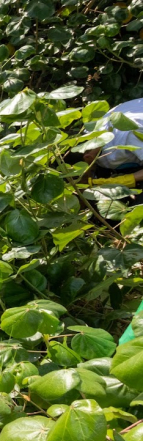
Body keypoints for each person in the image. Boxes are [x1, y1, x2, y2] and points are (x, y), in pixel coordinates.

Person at [81, 98, 143, 343]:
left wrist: (126, 182)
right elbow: (86, 164)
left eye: (88, 152)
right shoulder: (95, 127)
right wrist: (86, 176)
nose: (86, 154)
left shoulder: (131, 138)